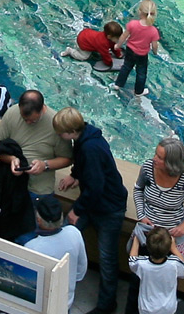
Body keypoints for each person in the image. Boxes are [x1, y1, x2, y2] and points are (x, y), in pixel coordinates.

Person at [54, 107, 128, 314]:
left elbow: (96, 186)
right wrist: (75, 174)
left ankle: (106, 305)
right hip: (96, 201)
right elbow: (85, 165)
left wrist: (77, 210)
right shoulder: (85, 138)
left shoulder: (90, 148)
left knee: (107, 258)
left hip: (108, 208)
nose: (59, 136)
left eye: (60, 133)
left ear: (70, 132)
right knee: (66, 234)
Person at [125, 137, 184, 314]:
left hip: (170, 239)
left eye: (160, 157)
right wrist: (141, 215)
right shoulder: (148, 168)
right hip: (147, 233)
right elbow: (138, 189)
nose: (155, 159)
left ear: (171, 163)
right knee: (136, 283)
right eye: (156, 154)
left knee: (164, 283)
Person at [0, 90, 73, 200]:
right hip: (12, 182)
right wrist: (11, 159)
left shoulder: (56, 124)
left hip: (39, 189)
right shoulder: (12, 113)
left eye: (32, 121)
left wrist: (45, 165)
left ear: (42, 110)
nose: (28, 123)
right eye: (24, 119)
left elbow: (67, 159)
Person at [25, 195, 88, 312]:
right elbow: (81, 271)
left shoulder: (32, 247)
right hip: (65, 304)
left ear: (39, 220)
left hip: (40, 307)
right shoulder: (74, 233)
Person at [129, 227, 184, 314]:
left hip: (147, 307)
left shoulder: (142, 264)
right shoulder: (174, 264)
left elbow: (132, 261)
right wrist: (174, 249)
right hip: (168, 307)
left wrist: (136, 240)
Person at [112, 0, 160, 96]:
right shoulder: (153, 31)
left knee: (126, 67)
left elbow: (124, 36)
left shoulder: (132, 24)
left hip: (130, 50)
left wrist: (118, 45)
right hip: (142, 55)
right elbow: (155, 45)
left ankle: (118, 84)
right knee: (141, 73)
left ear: (139, 11)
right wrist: (155, 52)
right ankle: (138, 91)